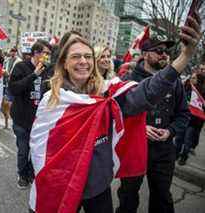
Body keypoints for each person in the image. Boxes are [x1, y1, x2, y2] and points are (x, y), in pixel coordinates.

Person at [29, 13, 202, 213]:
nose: (83, 61)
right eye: (76, 56)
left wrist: (185, 57)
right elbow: (40, 147)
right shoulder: (52, 100)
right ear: (64, 63)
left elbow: (146, 92)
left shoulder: (108, 93)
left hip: (98, 187)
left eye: (88, 56)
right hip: (62, 183)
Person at [116, 34, 192, 213]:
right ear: (145, 53)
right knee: (128, 197)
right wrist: (139, 128)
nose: (164, 54)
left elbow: (183, 115)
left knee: (162, 197)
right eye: (158, 50)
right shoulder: (128, 80)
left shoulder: (173, 82)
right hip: (134, 149)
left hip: (163, 152)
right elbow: (117, 116)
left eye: (166, 51)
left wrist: (170, 131)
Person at [8, 39, 52, 189]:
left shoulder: (48, 70)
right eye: (46, 53)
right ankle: (22, 174)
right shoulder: (21, 66)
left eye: (49, 54)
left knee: (37, 151)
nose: (47, 56)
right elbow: (13, 89)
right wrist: (33, 75)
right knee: (23, 150)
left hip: (40, 121)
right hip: (21, 119)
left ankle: (30, 172)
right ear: (36, 53)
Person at [178, 71, 205, 165]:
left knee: (187, 141)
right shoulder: (187, 87)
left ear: (199, 80)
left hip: (194, 122)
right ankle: (175, 155)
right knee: (178, 139)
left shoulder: (202, 92)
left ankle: (184, 157)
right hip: (184, 119)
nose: (191, 79)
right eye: (191, 77)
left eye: (194, 78)